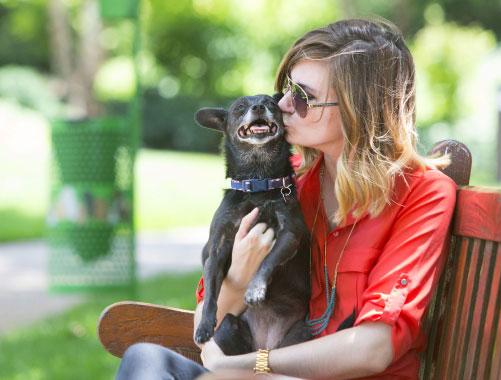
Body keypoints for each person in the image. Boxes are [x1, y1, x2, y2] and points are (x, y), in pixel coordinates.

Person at [116, 18, 456, 380]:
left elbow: (372, 349)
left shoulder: (422, 195)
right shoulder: (285, 185)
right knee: (146, 360)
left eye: (304, 97)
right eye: (288, 89)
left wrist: (244, 367)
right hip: (256, 370)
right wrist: (238, 276)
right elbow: (206, 318)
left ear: (359, 109)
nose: (284, 104)